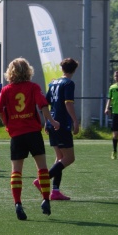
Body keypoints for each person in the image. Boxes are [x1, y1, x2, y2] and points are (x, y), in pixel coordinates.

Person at [0, 57, 60, 220]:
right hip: (33, 133)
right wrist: (51, 121)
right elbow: (43, 105)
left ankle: (18, 203)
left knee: (16, 171)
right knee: (42, 168)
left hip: (17, 134)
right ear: (28, 71)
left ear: (10, 72)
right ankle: (45, 199)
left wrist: (7, 123)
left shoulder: (6, 90)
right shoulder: (33, 87)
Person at [38, 58, 79, 201]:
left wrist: (47, 121)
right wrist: (75, 120)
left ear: (62, 68)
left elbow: (45, 104)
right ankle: (43, 180)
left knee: (60, 158)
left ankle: (55, 191)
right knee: (69, 158)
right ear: (74, 70)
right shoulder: (69, 83)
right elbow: (68, 104)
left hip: (52, 123)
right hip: (61, 124)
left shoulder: (53, 83)